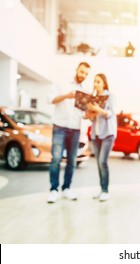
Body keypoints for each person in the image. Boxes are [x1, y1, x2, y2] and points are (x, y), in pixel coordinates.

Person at [47, 61, 91, 203]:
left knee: (72, 161)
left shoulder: (86, 92)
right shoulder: (62, 83)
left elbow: (83, 113)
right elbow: (51, 99)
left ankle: (67, 188)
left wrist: (88, 114)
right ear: (77, 69)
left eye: (86, 73)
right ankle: (54, 190)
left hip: (75, 128)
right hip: (60, 126)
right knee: (56, 159)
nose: (83, 75)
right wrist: (66, 96)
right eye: (82, 71)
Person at [86, 73, 117, 202]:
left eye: (98, 81)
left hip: (108, 133)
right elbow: (93, 118)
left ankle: (105, 191)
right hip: (96, 134)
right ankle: (101, 190)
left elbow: (111, 113)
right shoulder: (93, 98)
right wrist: (90, 112)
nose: (95, 84)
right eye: (94, 81)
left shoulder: (110, 96)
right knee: (98, 163)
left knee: (102, 162)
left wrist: (98, 109)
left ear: (104, 83)